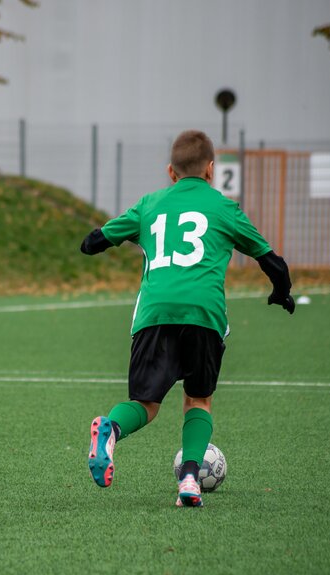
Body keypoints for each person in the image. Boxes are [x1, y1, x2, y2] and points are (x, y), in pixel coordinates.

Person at [80, 129, 295, 508]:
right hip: (203, 314)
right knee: (198, 399)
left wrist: (103, 239)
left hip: (155, 313)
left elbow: (93, 242)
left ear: (171, 171)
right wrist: (281, 292)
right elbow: (272, 261)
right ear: (211, 169)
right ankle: (190, 479)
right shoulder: (224, 208)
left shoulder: (149, 204)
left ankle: (111, 429)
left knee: (145, 404)